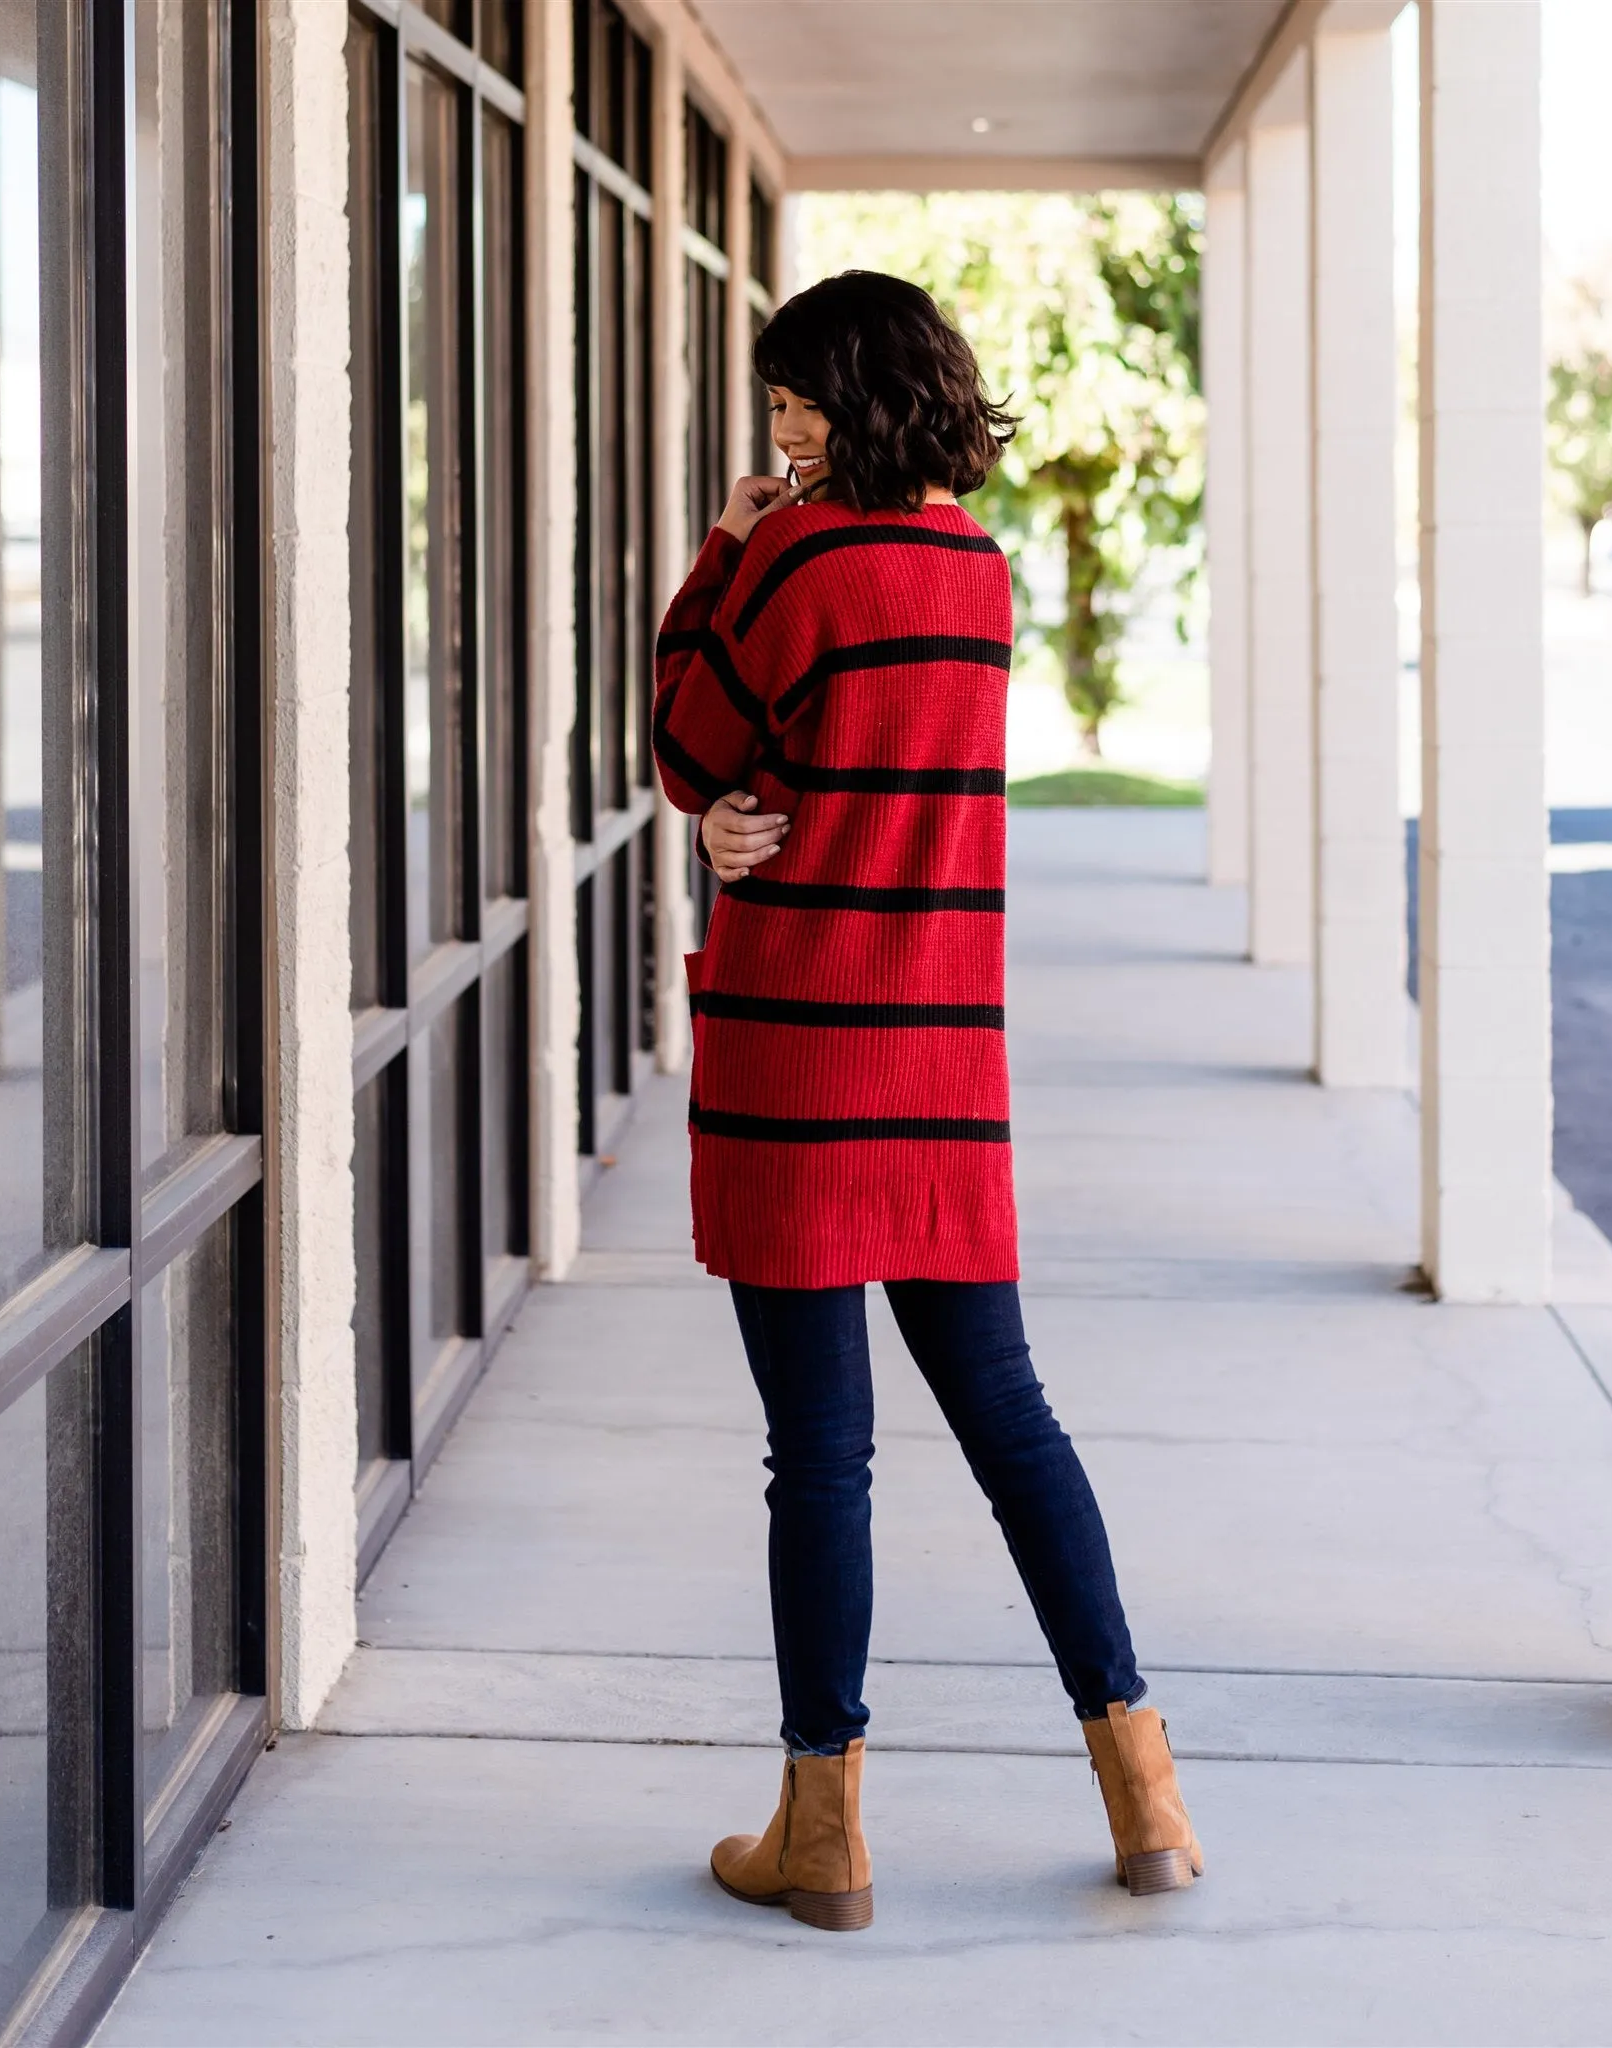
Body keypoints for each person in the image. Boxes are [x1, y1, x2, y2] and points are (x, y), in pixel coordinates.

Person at [651, 271, 1200, 1933]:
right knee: (1014, 1425)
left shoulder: (795, 562)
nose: (777, 430)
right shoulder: (978, 572)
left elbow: (688, 740)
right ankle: (1144, 1791)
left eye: (789, 401)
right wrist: (748, 797)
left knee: (819, 1457)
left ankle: (823, 1835)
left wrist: (722, 552)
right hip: (941, 1062)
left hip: (798, 1059)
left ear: (849, 394)